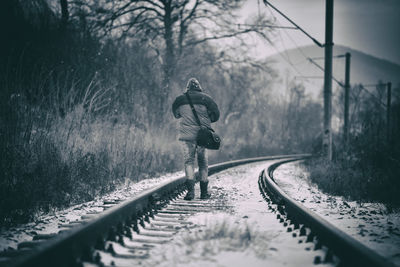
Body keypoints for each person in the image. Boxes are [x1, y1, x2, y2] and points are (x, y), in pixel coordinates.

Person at [172, 78, 220, 200]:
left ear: (187, 88)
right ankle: (204, 193)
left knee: (189, 162)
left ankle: (190, 193)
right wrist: (207, 118)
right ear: (199, 87)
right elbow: (215, 115)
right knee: (203, 163)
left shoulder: (180, 100)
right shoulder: (207, 99)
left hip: (187, 137)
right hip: (202, 137)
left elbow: (177, 114)